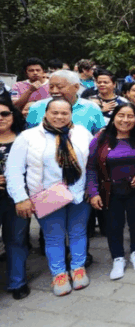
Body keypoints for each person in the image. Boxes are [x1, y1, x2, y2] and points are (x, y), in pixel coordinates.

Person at [7, 99, 94, 296]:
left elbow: (92, 162)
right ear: (46, 113)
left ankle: (78, 268)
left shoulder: (81, 133)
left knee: (78, 232)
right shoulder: (28, 137)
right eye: (55, 112)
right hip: (47, 197)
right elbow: (14, 170)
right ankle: (59, 274)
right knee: (53, 237)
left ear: (71, 114)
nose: (59, 117)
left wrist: (92, 187)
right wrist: (21, 198)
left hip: (79, 194)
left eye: (64, 113)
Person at [86, 103, 135, 280]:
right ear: (114, 117)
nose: (125, 120)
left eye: (130, 116)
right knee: (114, 226)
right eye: (121, 115)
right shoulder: (101, 139)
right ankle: (118, 258)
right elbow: (91, 167)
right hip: (110, 190)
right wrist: (93, 192)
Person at [0, 99, 31, 299]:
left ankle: (17, 282)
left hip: (17, 198)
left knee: (16, 239)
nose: (1, 119)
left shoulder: (25, 139)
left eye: (5, 114)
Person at [26, 70, 106, 135]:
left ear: (76, 87)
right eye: (51, 87)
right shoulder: (37, 107)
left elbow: (99, 138)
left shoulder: (92, 108)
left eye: (59, 87)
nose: (54, 91)